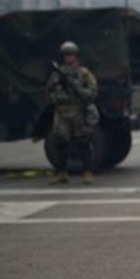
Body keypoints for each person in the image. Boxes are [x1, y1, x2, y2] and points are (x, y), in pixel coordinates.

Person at [45, 41, 98, 185]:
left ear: (76, 56)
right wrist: (58, 95)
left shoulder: (84, 73)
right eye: (66, 55)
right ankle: (61, 173)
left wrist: (77, 90)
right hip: (62, 113)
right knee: (60, 142)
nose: (69, 58)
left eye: (71, 55)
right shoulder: (57, 74)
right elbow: (48, 93)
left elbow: (92, 92)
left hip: (78, 112)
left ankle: (87, 173)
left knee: (83, 142)